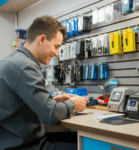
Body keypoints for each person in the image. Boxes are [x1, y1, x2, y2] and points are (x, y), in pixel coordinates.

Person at [0, 16, 89, 150]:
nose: (57, 53)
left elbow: (17, 103)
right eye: (56, 46)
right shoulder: (26, 67)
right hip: (29, 145)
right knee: (90, 144)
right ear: (42, 39)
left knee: (79, 138)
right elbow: (49, 116)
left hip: (13, 141)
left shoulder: (9, 61)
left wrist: (53, 99)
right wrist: (73, 104)